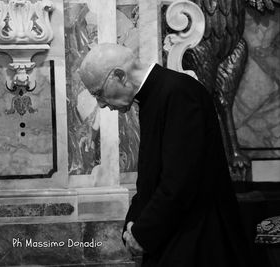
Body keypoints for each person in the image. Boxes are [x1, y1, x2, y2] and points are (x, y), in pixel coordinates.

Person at [79, 43, 249, 267]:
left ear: (119, 76)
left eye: (99, 93)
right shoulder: (156, 95)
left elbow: (180, 181)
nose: (100, 104)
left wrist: (143, 233)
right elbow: (152, 175)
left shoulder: (179, 92)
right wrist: (133, 225)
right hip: (175, 233)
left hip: (198, 239)